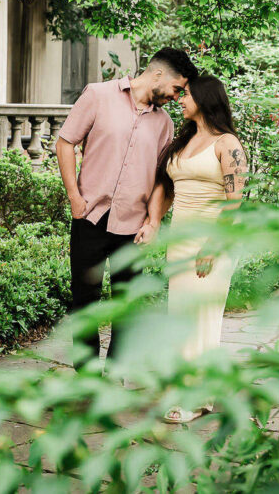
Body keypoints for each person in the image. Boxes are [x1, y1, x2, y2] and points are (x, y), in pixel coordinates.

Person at [56, 48, 199, 369]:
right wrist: (74, 197)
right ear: (159, 75)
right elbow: (65, 142)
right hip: (89, 217)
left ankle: (116, 371)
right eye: (177, 89)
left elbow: (164, 179)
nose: (177, 98)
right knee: (85, 303)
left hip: (134, 228)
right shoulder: (97, 95)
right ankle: (88, 378)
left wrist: (154, 221)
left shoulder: (164, 124)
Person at [137, 75, 248, 423]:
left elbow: (235, 202)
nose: (180, 100)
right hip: (180, 241)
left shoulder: (227, 144)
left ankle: (197, 399)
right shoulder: (184, 142)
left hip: (211, 242)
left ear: (204, 98)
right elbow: (167, 187)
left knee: (201, 319)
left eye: (185, 95)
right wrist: (153, 222)